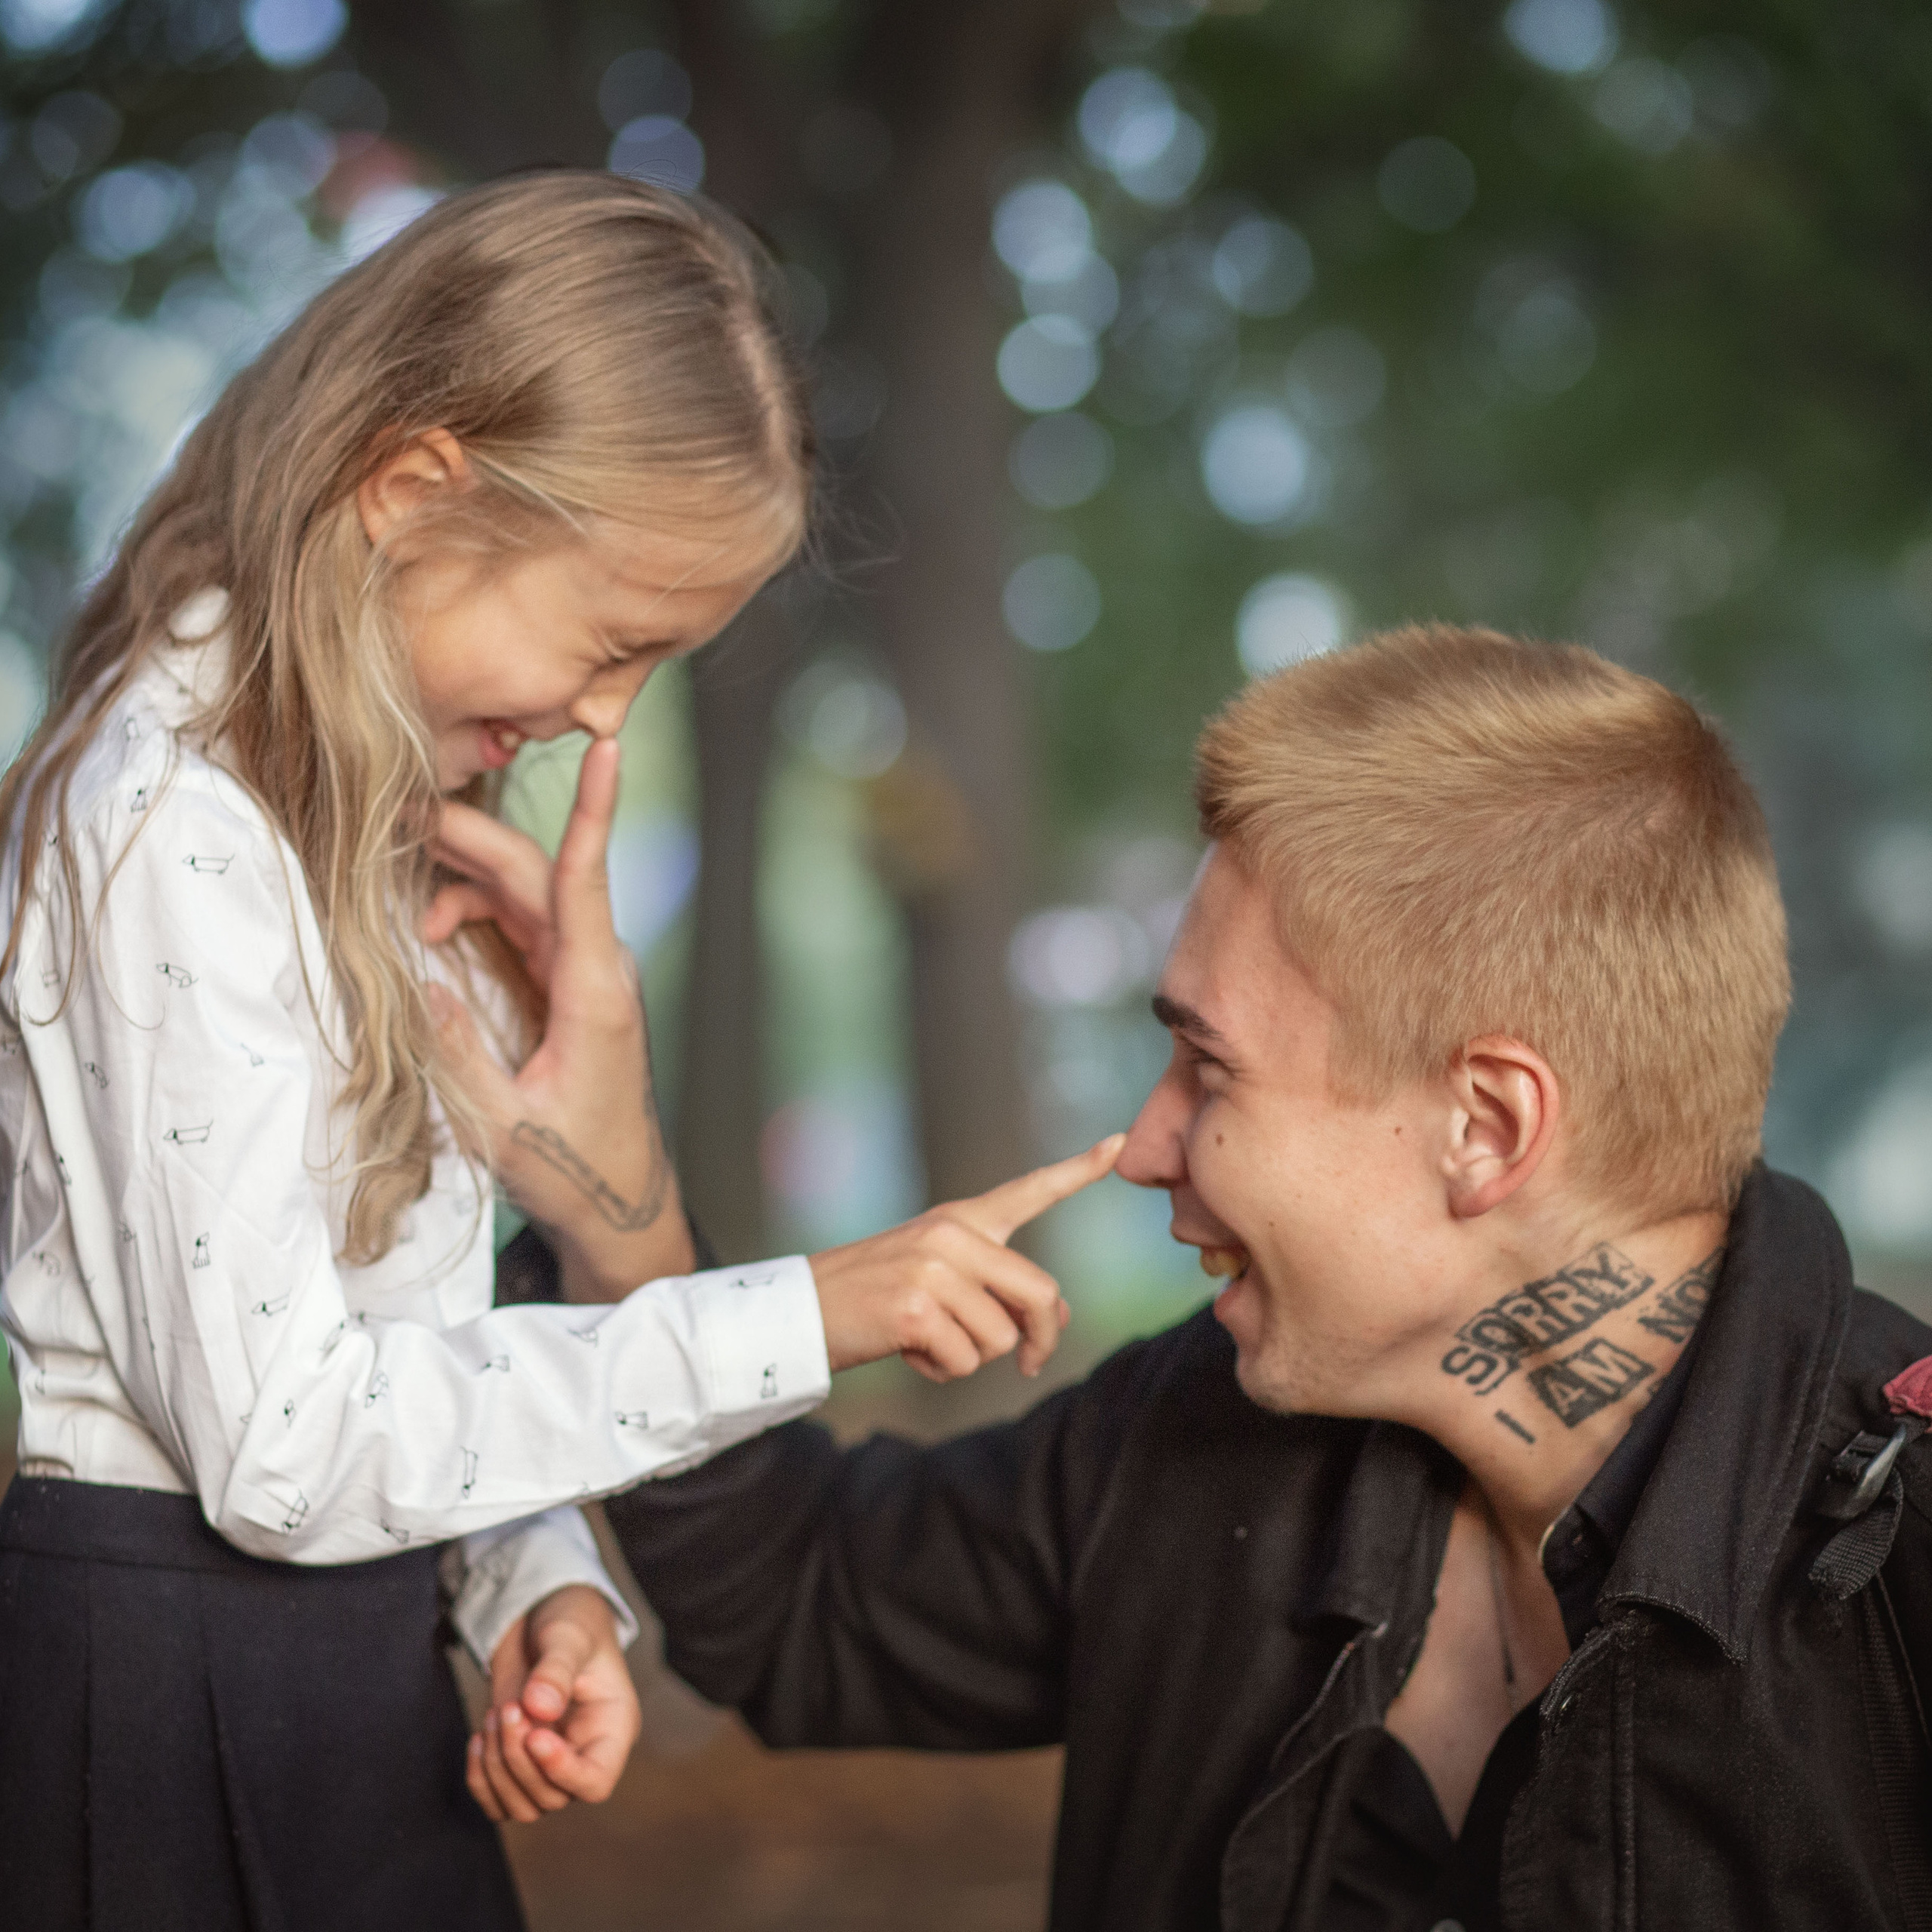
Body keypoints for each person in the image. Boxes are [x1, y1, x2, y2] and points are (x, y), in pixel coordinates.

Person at [0, 171, 1114, 1932]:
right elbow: (282, 1447)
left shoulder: (359, 830)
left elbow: (409, 1332)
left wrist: (536, 1574)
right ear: (411, 489)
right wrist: (800, 1312)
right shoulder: (174, 826)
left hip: (347, 1674)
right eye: (615, 644)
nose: (606, 716)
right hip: (169, 1684)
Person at [515, 625, 1932, 1931]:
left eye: (1209, 1066)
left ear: (1486, 1128)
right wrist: (607, 1188)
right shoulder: (1201, 1428)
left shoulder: (1900, 1577)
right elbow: (798, 1600)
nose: (1142, 1145)